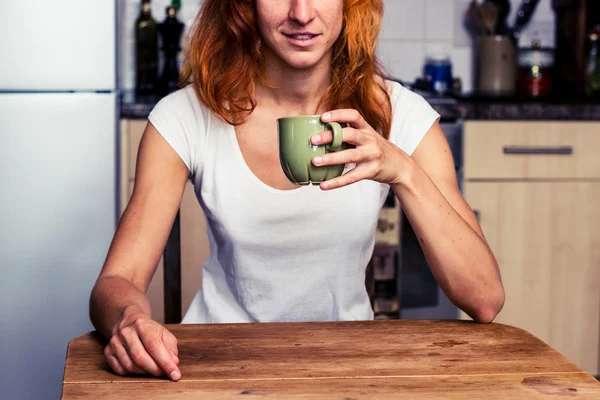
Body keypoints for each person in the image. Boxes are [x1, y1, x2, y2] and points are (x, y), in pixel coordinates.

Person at [90, 0, 505, 382]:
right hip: (218, 368)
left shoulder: (399, 113)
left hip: (346, 368)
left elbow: (484, 299)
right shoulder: (186, 115)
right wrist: (129, 319)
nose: (301, 13)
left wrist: (404, 173)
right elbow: (117, 279)